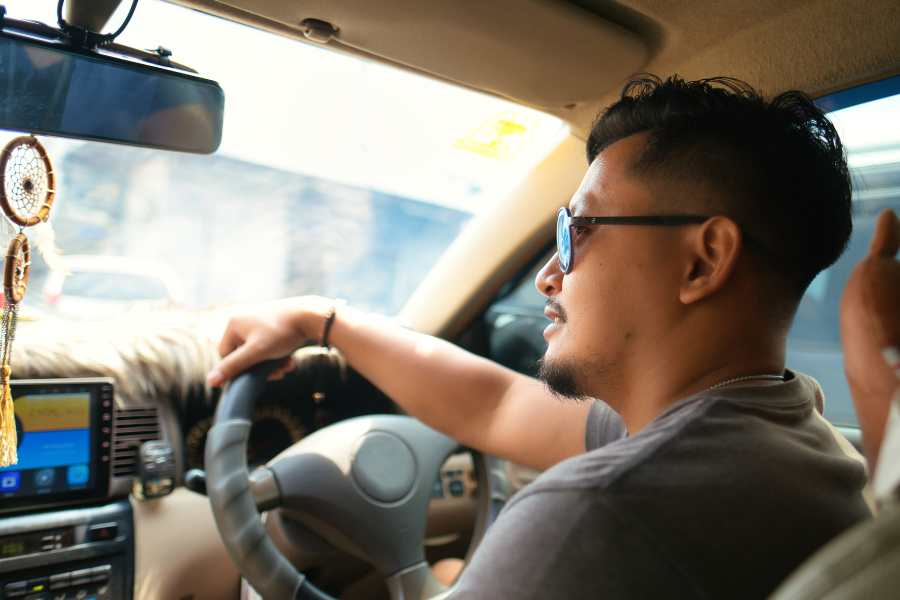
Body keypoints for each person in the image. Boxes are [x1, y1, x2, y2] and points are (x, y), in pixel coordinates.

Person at [207, 75, 872, 599]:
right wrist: (323, 323)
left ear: (702, 261)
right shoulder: (785, 432)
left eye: (577, 231)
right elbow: (493, 406)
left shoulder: (598, 518)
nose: (549, 277)